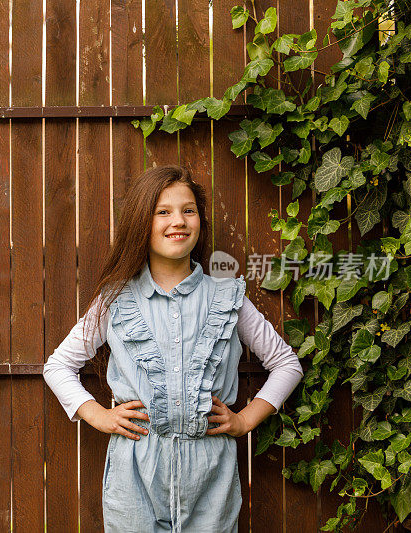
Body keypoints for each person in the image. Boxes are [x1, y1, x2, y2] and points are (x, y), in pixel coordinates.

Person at [43, 164, 304, 532]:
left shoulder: (227, 297)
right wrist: (98, 415)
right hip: (135, 472)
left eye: (188, 210)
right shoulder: (115, 300)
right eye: (162, 212)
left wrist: (244, 420)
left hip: (211, 472)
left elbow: (286, 364)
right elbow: (58, 366)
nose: (177, 221)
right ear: (141, 223)